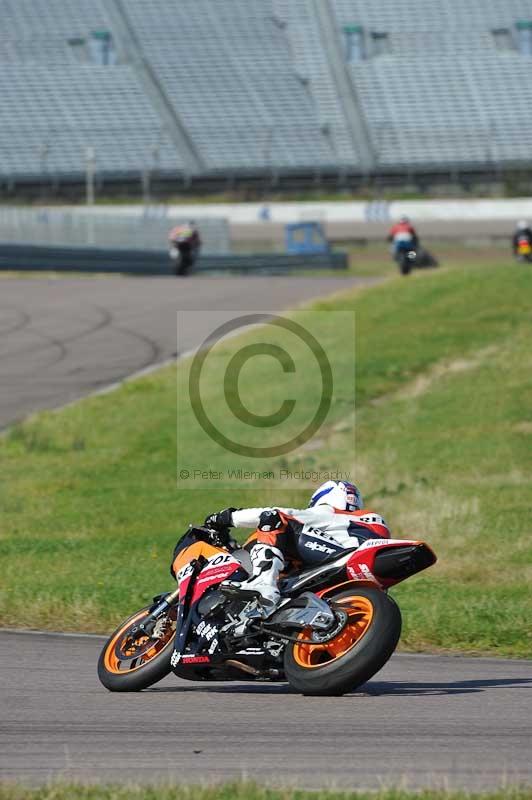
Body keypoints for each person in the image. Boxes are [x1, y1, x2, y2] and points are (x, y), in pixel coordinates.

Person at [204, 480, 390, 616]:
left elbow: (278, 513)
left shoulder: (328, 511)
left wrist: (226, 518)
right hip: (358, 571)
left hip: (338, 556)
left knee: (273, 518)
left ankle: (263, 582)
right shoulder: (368, 520)